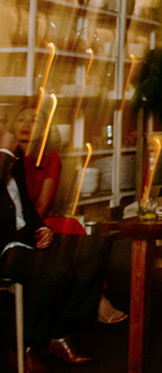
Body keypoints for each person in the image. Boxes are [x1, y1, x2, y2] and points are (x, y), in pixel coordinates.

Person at [0, 131, 98, 371]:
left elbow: (26, 208)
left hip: (26, 239)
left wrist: (43, 228)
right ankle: (23, 346)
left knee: (96, 248)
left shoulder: (13, 161)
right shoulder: (5, 158)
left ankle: (55, 333)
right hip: (3, 248)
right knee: (56, 269)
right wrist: (3, 153)